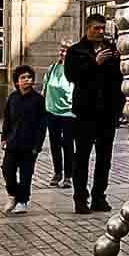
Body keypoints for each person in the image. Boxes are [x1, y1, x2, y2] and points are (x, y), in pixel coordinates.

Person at [65, 14, 124, 214]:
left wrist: (117, 61)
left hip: (107, 113)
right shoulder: (76, 51)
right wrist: (94, 63)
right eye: (96, 28)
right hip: (85, 113)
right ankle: (80, 198)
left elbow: (119, 79)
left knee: (104, 158)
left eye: (102, 28)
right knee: (81, 157)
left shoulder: (112, 50)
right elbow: (72, 76)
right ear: (87, 28)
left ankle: (99, 196)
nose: (100, 32)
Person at [0, 64, 47, 215]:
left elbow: (42, 124)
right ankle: (13, 194)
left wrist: (37, 145)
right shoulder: (13, 98)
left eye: (29, 77)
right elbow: (7, 119)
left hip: (29, 144)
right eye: (23, 78)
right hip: (13, 142)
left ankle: (23, 201)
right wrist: (4, 138)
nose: (27, 80)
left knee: (26, 174)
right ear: (17, 81)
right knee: (7, 170)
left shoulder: (38, 100)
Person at [42, 43, 75, 189]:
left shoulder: (74, 70)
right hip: (51, 111)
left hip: (69, 112)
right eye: (61, 50)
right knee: (54, 143)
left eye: (66, 51)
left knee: (67, 143)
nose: (63, 53)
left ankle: (69, 175)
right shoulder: (52, 68)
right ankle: (57, 172)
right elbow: (45, 88)